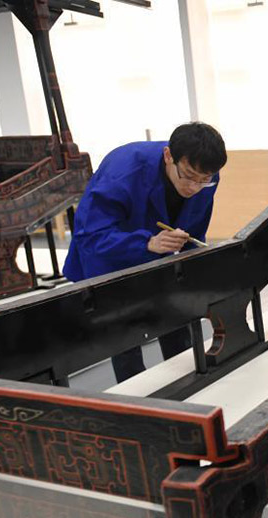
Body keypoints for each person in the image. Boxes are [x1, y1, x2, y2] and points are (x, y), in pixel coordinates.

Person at [64, 122, 227, 383]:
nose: (194, 187)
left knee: (177, 323)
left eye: (203, 180)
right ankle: (137, 398)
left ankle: (189, 384)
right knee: (126, 340)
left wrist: (194, 264)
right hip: (111, 262)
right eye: (188, 176)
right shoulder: (124, 172)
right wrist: (146, 244)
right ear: (168, 156)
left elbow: (194, 227)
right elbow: (90, 236)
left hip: (160, 259)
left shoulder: (206, 176)